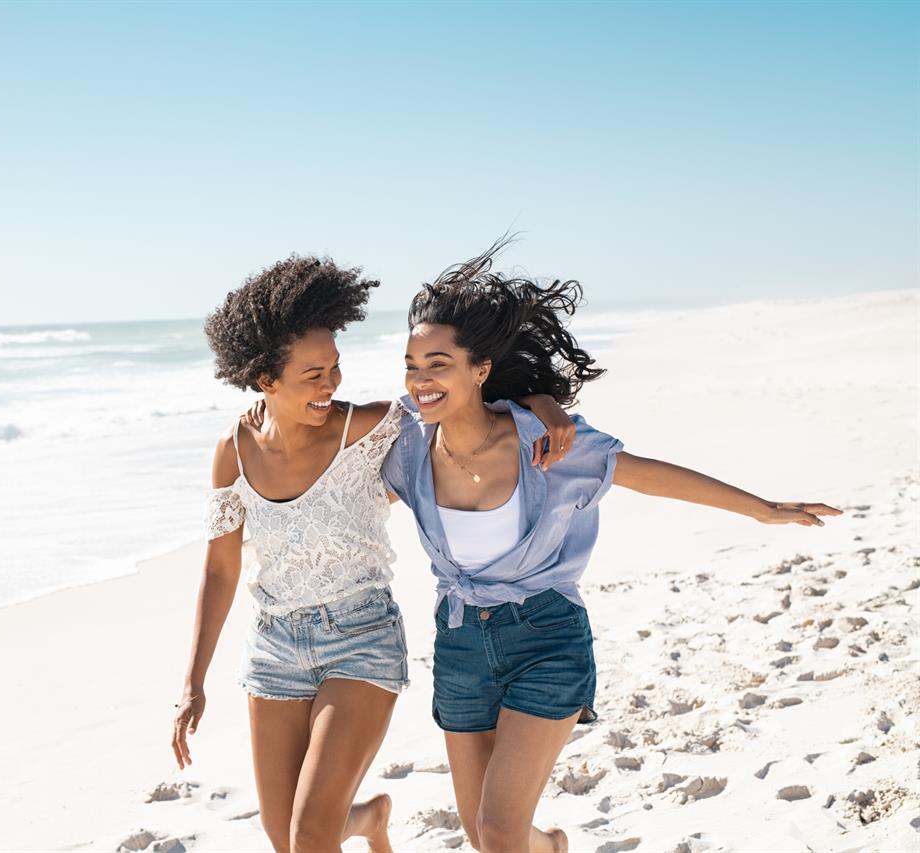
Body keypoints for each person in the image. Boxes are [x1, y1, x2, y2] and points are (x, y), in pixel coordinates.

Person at [382, 239, 842, 853]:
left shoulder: (549, 447)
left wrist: (763, 509)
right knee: (486, 832)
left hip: (545, 638)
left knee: (495, 834)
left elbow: (648, 474)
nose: (420, 381)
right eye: (411, 365)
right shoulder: (405, 449)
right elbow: (329, 479)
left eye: (437, 363)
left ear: (480, 369)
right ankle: (556, 846)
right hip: (460, 643)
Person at [172, 254, 573, 853]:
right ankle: (368, 821)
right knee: (285, 836)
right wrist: (193, 680)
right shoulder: (233, 451)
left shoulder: (369, 429)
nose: (330, 385)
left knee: (309, 836)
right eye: (312, 374)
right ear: (265, 380)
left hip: (361, 639)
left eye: (334, 368)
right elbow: (220, 568)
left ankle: (347, 824)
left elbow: (464, 398)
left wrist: (543, 404)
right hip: (274, 647)